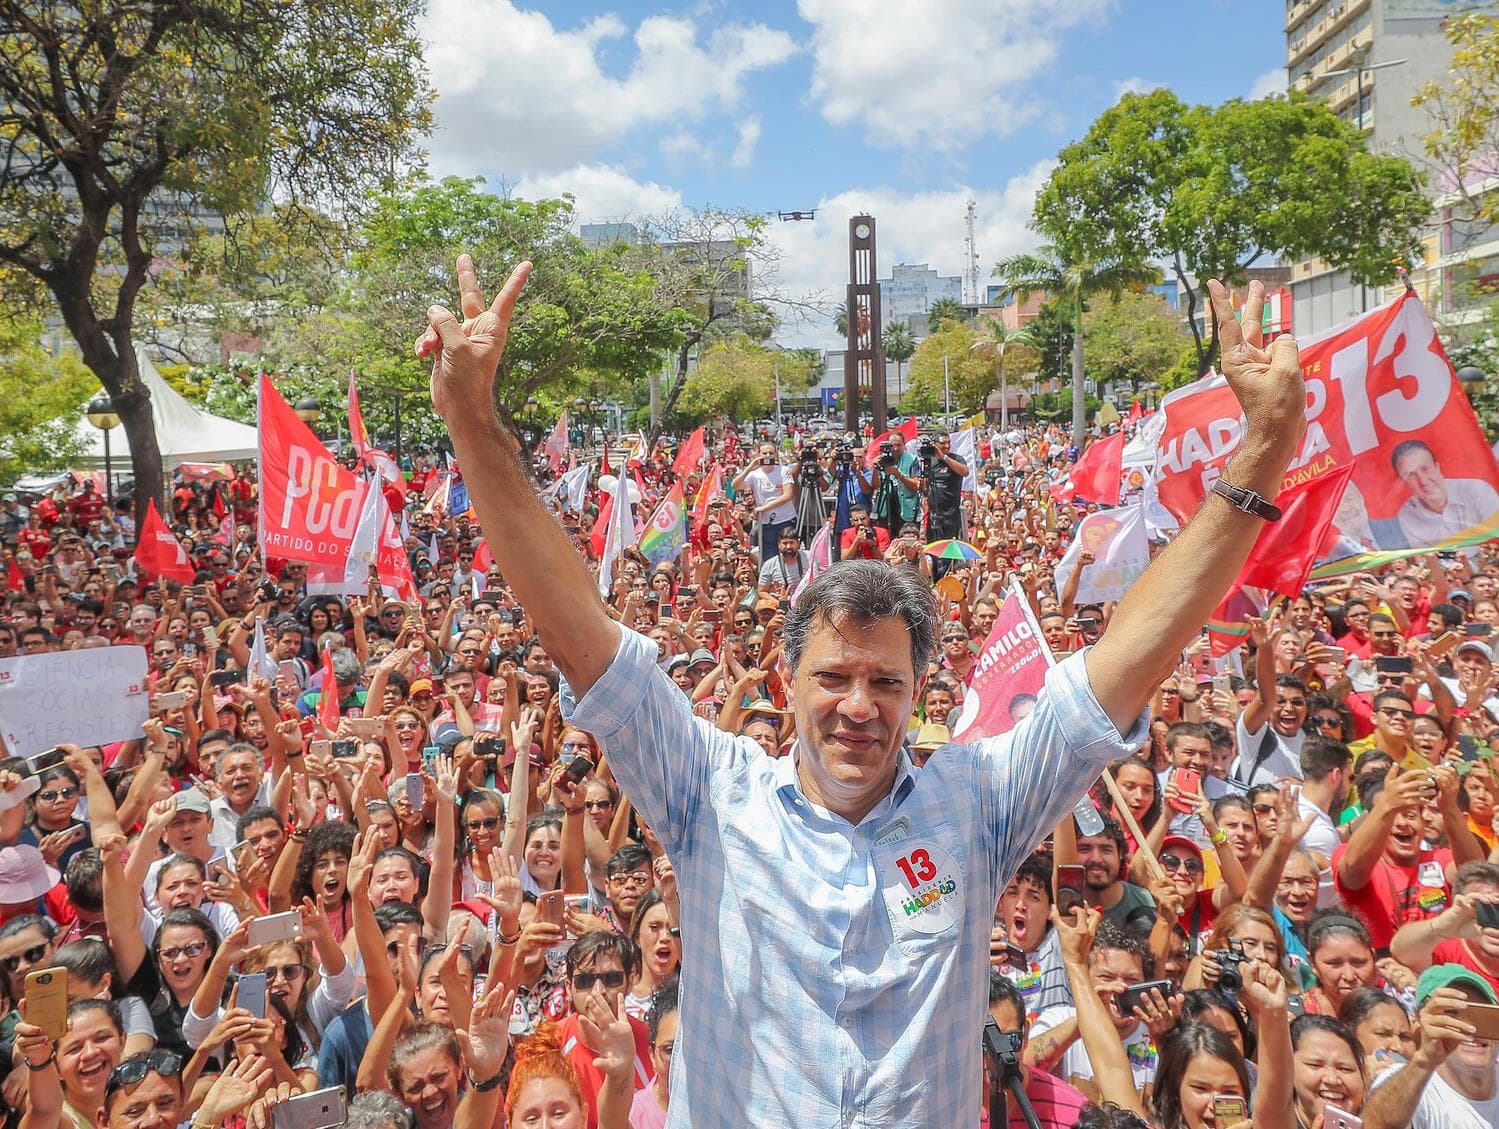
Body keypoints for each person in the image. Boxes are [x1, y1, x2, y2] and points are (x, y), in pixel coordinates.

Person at [421, 261, 1309, 1125]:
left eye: (885, 681)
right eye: (833, 677)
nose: (858, 705)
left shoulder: (980, 804)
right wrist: (472, 423)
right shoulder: (707, 793)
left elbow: (1126, 658)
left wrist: (1261, 451)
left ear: (920, 691)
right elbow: (579, 632)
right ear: (784, 682)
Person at [1362, 964, 1499, 1129]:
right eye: (1452, 1016)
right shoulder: (1408, 1084)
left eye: (1483, 1014)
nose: (1470, 1029)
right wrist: (1425, 1061)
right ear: (1422, 1021)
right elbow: (1374, 1125)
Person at [1389, 440, 1499, 549]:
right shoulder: (1406, 516)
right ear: (1404, 482)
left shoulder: (1477, 491)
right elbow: (1427, 559)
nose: (1423, 481)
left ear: (1437, 467)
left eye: (1426, 469)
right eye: (1411, 475)